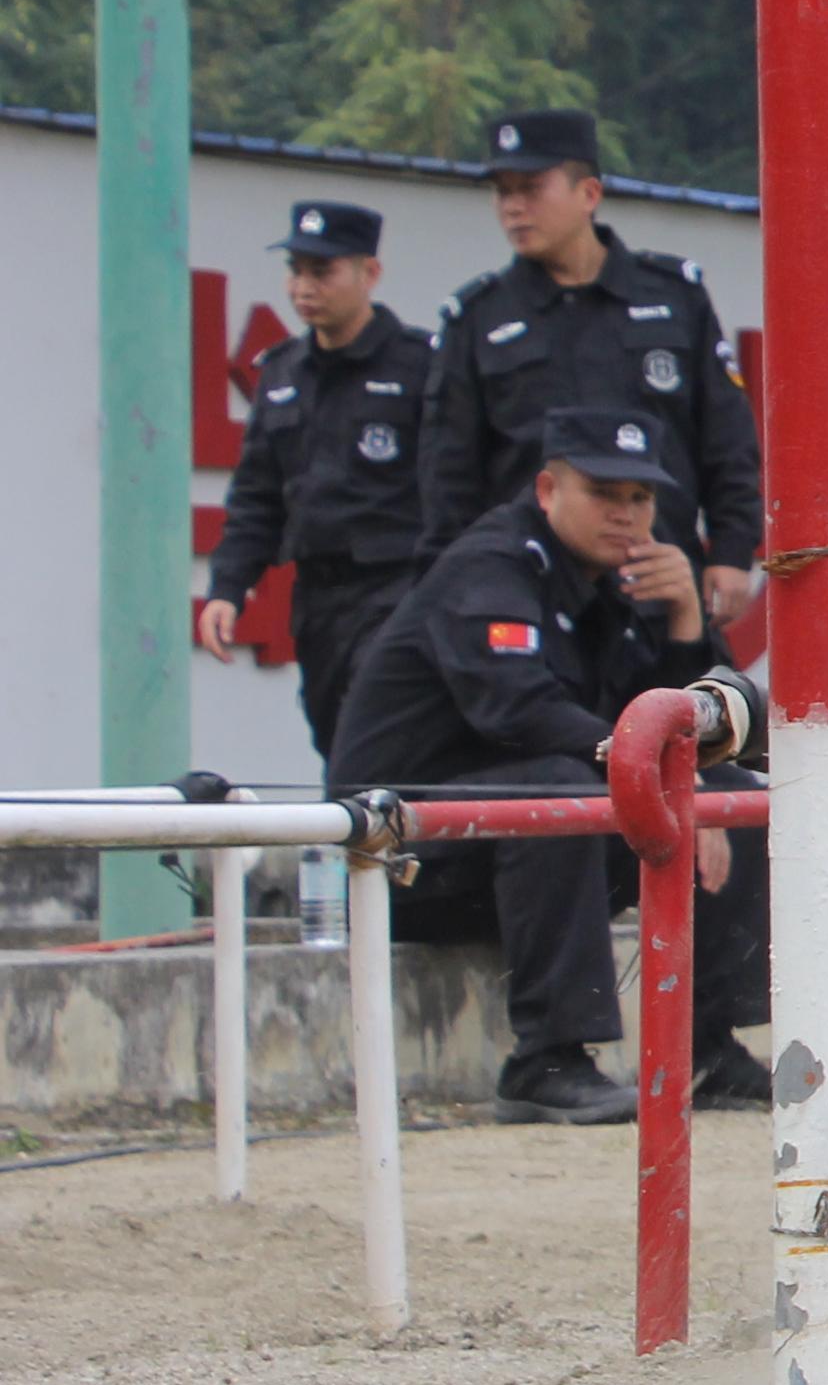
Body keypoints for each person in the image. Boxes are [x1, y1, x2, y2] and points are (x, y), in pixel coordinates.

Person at [323, 408, 775, 1127]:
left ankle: (707, 1048)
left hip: (528, 861)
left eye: (640, 499)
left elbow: (673, 727)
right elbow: (521, 713)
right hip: (409, 855)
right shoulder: (491, 568)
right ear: (547, 491)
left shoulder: (616, 584)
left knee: (726, 792)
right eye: (604, 493)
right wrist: (664, 777)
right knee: (561, 797)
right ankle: (546, 1061)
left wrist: (688, 620)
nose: (626, 516)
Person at [420, 110, 768, 637]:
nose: (513, 207)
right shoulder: (478, 319)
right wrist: (456, 589)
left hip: (659, 583)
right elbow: (447, 478)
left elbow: (726, 436)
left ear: (588, 193)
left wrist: (733, 549)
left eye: (532, 188)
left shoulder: (672, 296)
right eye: (503, 192)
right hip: (528, 596)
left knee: (680, 717)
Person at [196, 198, 438, 755]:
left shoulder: (419, 365)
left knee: (376, 730)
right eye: (296, 270)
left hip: (399, 586)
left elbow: (455, 486)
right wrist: (228, 589)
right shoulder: (282, 371)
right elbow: (257, 497)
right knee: (333, 737)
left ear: (369, 273)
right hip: (319, 597)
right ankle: (363, 847)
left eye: (322, 272)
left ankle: (402, 843)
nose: (304, 286)